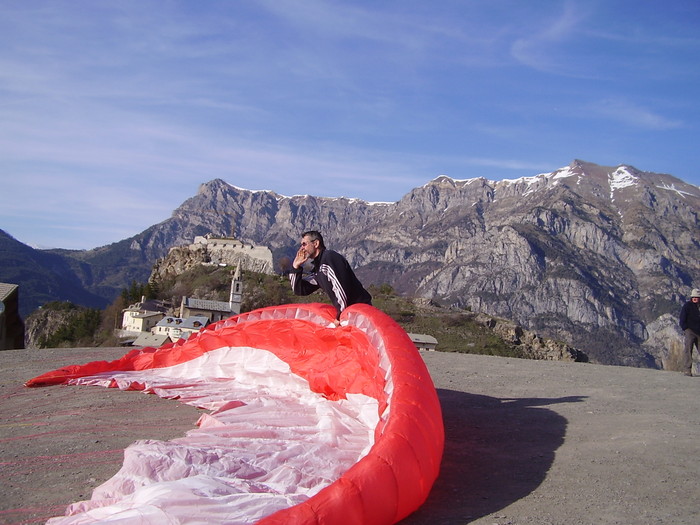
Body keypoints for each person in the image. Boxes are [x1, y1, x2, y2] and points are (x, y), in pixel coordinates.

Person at [289, 230, 372, 322]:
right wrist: (295, 267)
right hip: (349, 314)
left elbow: (340, 289)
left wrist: (340, 316)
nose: (301, 248)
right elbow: (300, 290)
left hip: (359, 313)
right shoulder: (319, 269)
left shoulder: (329, 258)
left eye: (304, 244)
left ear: (316, 244)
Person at [678, 288, 700, 376]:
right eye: (694, 297)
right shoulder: (687, 306)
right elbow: (682, 317)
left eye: (697, 297)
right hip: (690, 331)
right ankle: (687, 370)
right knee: (688, 350)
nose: (695, 298)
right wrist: (685, 328)